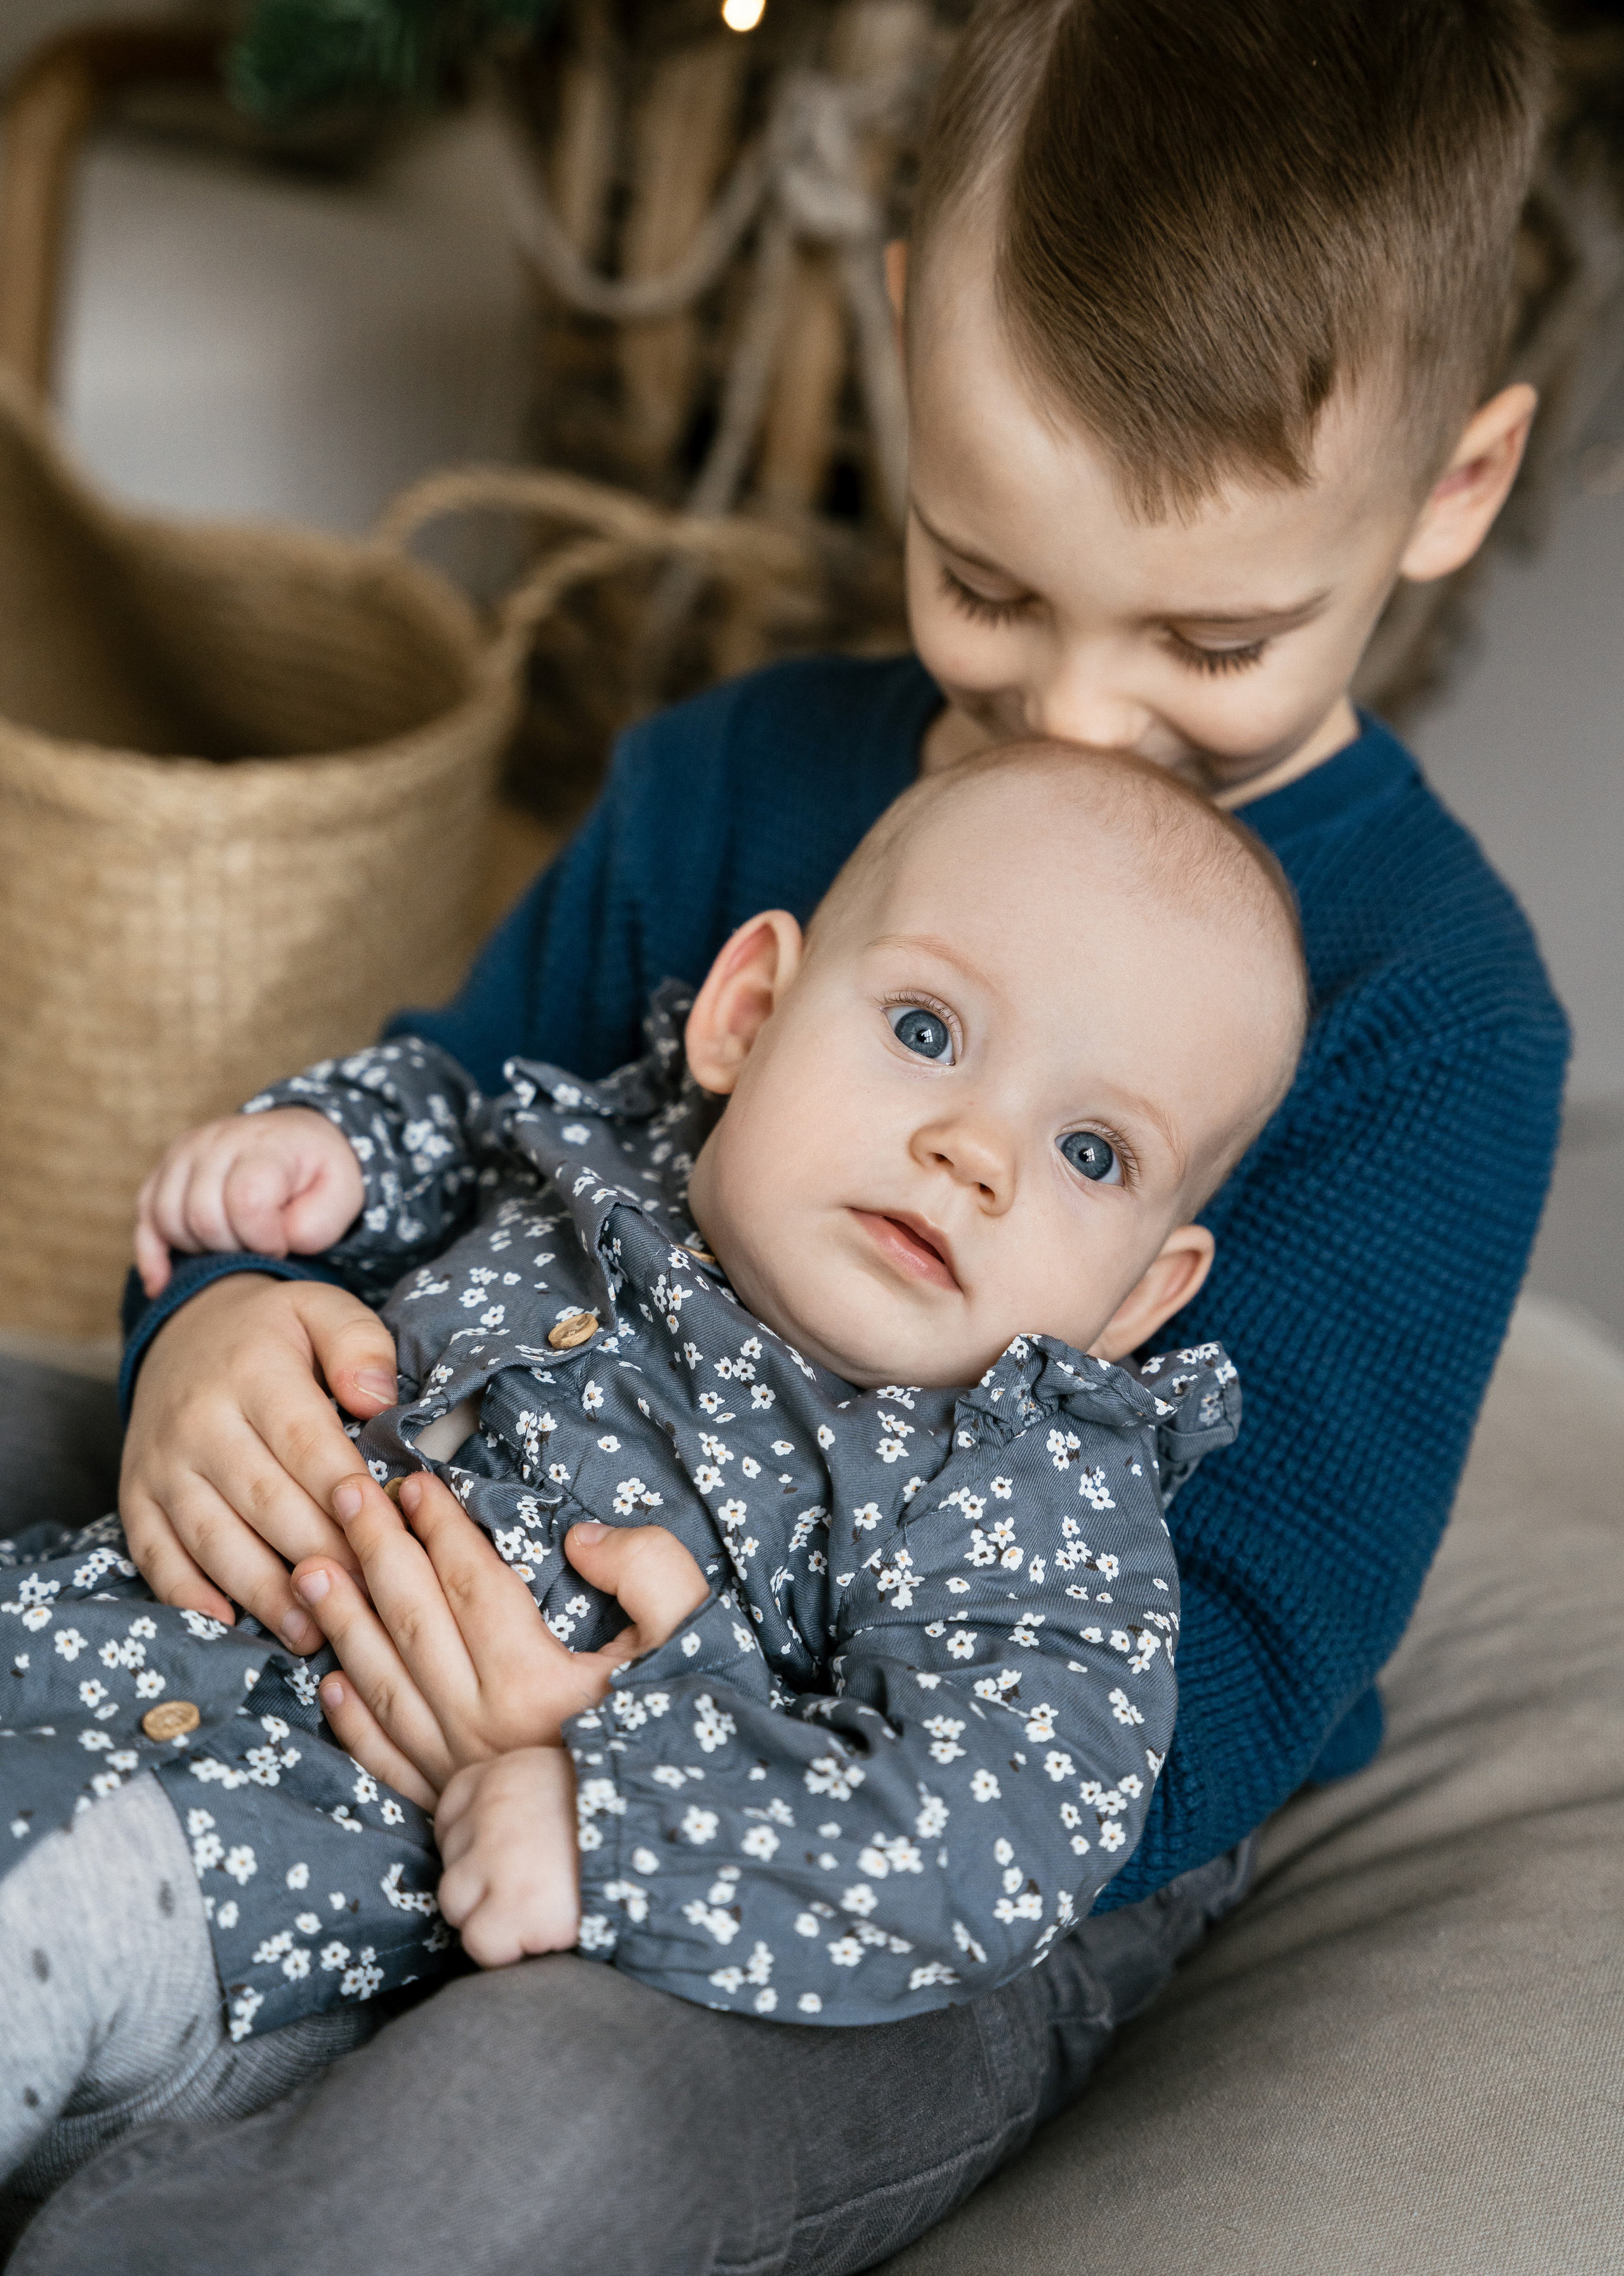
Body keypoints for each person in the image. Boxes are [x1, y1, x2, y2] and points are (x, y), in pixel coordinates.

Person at [11, 0, 1568, 2276]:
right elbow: (419, 1117)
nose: (1072, 717)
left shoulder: (1439, 1015)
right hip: (469, 1480)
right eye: (988, 578)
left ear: (1450, 495)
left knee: (534, 2137)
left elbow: (1216, 1688)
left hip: (914, 1810)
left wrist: (607, 1756)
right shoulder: (744, 772)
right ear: (899, 359)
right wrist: (210, 1333)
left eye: (1215, 637)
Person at [0, 741, 1304, 2180]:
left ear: (1135, 1300)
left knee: (43, 1885)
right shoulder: (607, 1144)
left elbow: (981, 1834)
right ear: (747, 1013)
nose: (973, 1148)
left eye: (1092, 1151)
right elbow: (440, 1114)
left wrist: (610, 1819)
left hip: (255, 1876)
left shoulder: (1016, 1493)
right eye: (929, 1030)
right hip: (78, 1634)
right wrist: (320, 1151)